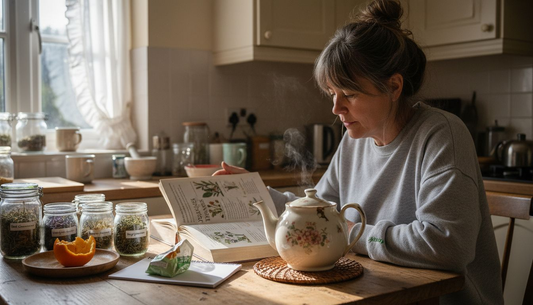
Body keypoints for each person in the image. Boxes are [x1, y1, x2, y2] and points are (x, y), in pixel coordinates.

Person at [214, 0, 504, 303]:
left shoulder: (441, 134)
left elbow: (447, 247)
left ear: (393, 87)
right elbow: (322, 210)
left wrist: (353, 233)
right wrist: (254, 191)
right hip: (379, 291)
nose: (336, 108)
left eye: (349, 94)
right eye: (332, 94)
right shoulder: (355, 139)